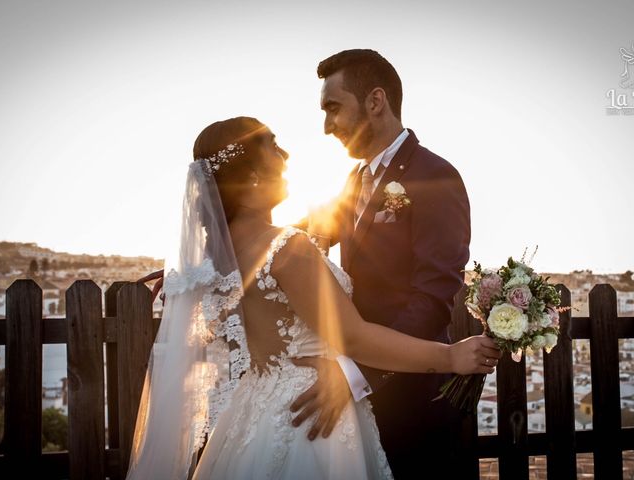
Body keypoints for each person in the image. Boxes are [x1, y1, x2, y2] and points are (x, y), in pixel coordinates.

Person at [127, 117, 499, 479]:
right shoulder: (289, 248)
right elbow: (353, 337)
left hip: (252, 417)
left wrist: (191, 270)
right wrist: (449, 356)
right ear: (253, 177)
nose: (286, 154)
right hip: (312, 416)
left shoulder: (219, 260)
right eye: (273, 146)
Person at [290, 49, 473, 478]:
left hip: (411, 400)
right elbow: (293, 240)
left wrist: (356, 373)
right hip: (355, 398)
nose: (325, 126)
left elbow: (431, 301)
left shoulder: (435, 177)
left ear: (375, 102)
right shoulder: (354, 181)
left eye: (333, 108)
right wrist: (219, 258)